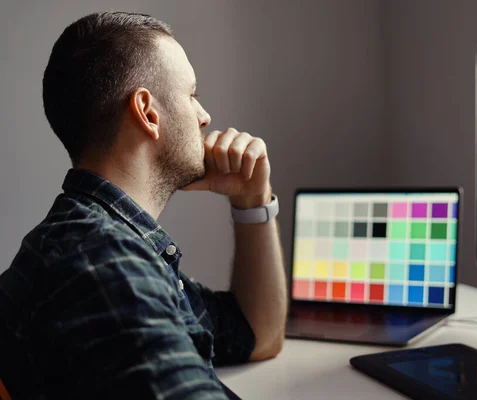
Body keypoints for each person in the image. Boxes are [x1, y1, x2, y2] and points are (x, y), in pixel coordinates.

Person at [0, 11, 287, 399]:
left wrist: (251, 200)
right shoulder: (101, 262)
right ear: (148, 113)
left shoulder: (107, 242)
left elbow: (258, 334)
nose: (205, 117)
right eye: (192, 95)